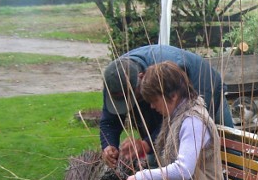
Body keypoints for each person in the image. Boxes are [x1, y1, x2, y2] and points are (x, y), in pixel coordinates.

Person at [99, 44, 234, 171]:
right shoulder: (115, 79)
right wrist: (108, 145)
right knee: (157, 162)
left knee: (231, 151)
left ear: (141, 78)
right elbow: (109, 121)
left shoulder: (171, 74)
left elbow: (177, 121)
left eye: (133, 98)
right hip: (166, 101)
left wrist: (146, 144)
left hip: (207, 90)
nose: (151, 106)